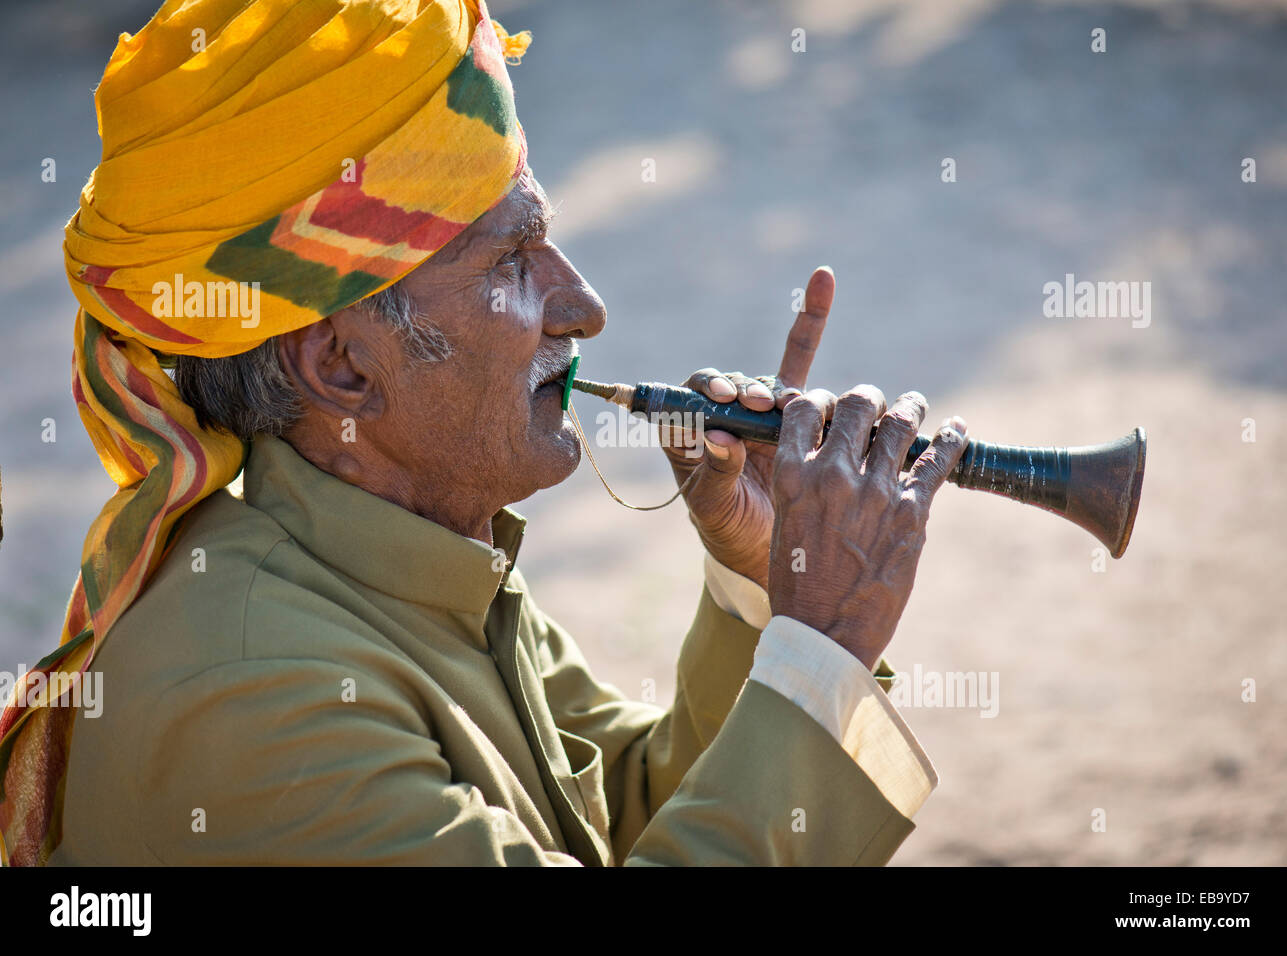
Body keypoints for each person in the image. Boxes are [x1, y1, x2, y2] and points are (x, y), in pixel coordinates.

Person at [0, 0, 968, 866]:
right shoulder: (252, 694)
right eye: (510, 261)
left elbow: (617, 819)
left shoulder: (410, 552)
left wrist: (762, 579)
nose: (582, 305)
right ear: (341, 366)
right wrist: (822, 642)